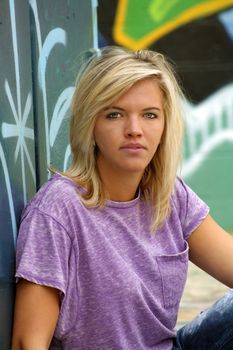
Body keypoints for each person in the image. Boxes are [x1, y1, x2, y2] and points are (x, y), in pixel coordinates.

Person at [11, 46, 233, 350]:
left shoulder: (168, 194)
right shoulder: (58, 210)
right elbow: (28, 342)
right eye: (114, 114)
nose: (134, 130)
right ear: (91, 124)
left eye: (149, 115)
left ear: (165, 124)